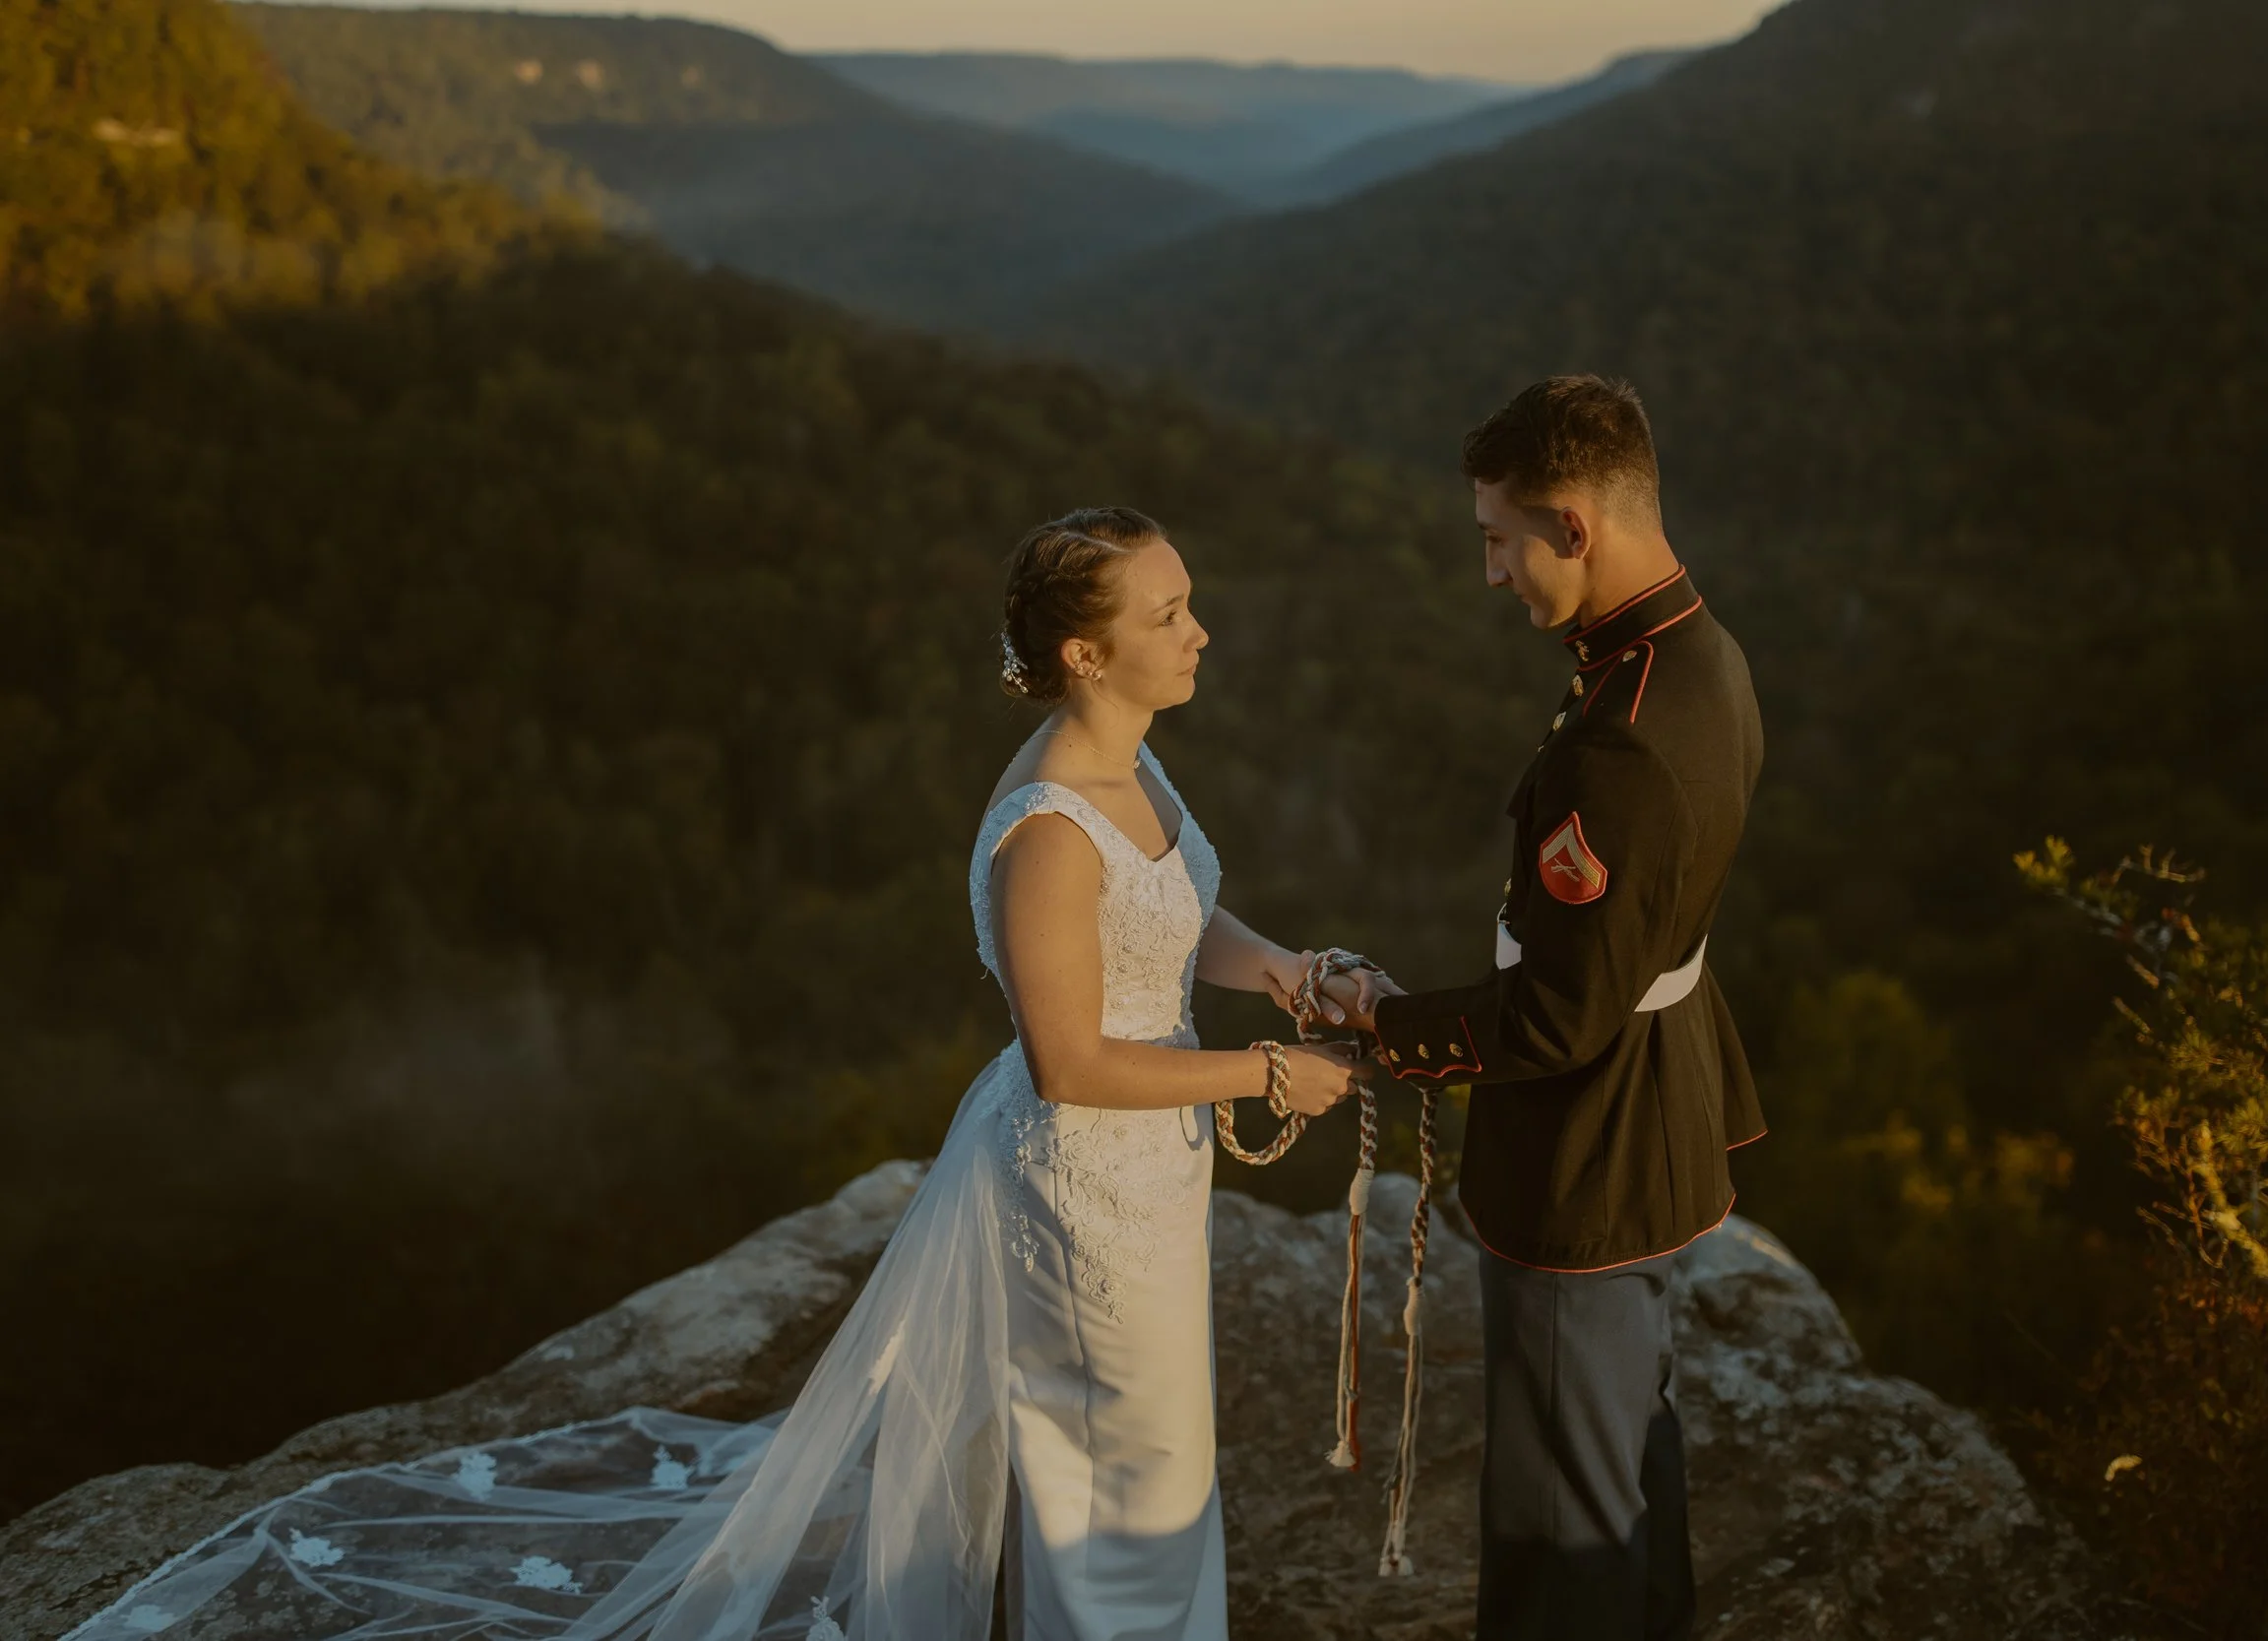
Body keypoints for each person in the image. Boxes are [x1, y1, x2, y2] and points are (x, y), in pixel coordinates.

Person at [67, 507, 1365, 1641]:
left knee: (1152, 1465)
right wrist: (1262, 1072)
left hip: (1152, 1166)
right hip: (1082, 1186)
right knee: (1118, 1488)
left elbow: (1169, 913)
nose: (1200, 631)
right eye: (1169, 612)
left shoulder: (1136, 762)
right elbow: (1069, 1061)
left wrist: (1287, 971)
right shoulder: (1048, 832)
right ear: (1085, 652)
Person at [1339, 376, 1766, 1641]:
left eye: (1499, 538)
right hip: (1656, 1117)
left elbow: (1558, 1017)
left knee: (1559, 1521)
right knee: (1625, 1466)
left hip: (1588, 1155)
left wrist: (1386, 1023)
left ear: (1573, 524)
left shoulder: (1619, 738)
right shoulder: (1699, 655)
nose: (1490, 571)